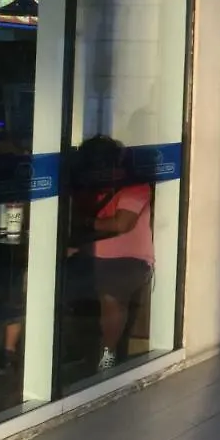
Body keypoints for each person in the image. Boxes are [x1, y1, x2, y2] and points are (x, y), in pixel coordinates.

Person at [68, 136, 154, 373]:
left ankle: (108, 353)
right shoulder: (86, 187)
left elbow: (121, 224)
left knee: (111, 296)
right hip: (87, 253)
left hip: (128, 258)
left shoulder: (135, 186)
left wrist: (86, 222)